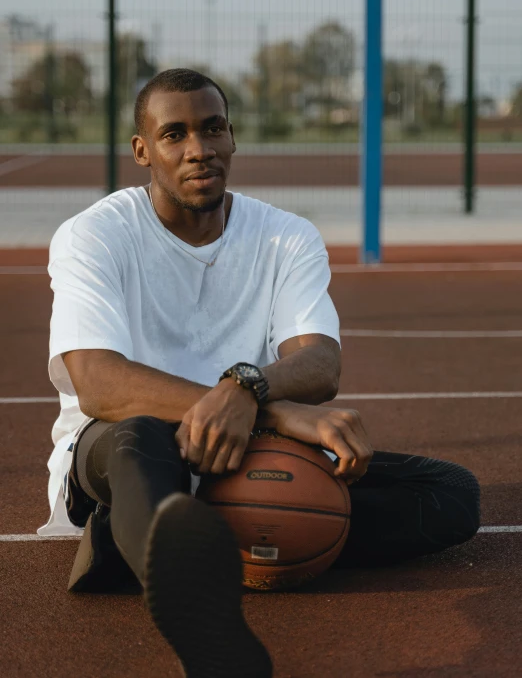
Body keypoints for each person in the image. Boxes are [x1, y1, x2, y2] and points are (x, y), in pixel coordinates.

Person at [38, 68, 481, 678]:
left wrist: (246, 392)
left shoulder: (286, 236)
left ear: (232, 137)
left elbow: (320, 361)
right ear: (142, 151)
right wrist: (262, 403)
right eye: (175, 134)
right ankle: (193, 599)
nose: (200, 149)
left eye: (213, 127)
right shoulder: (94, 235)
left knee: (451, 491)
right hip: (119, 451)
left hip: (245, 453)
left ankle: (158, 544)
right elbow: (98, 382)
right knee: (142, 437)